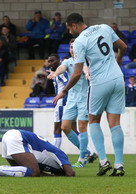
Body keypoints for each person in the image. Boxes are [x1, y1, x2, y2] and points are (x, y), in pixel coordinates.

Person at [54, 13, 127, 176]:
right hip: (118, 78)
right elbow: (123, 47)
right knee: (115, 123)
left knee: (93, 119)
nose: (69, 33)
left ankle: (103, 161)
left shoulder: (79, 41)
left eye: (68, 29)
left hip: (100, 82)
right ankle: (119, 165)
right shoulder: (105, 28)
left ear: (73, 25)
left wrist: (64, 90)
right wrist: (119, 60)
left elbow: (77, 73)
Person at [47, 40, 97, 166]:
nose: (72, 49)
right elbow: (62, 68)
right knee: (65, 127)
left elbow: (85, 68)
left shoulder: (85, 61)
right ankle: (86, 151)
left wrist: (86, 73)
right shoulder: (67, 62)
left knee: (81, 128)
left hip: (83, 98)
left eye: (75, 47)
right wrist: (55, 73)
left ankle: (82, 158)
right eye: (70, 47)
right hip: (71, 99)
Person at [0, 129, 75, 177]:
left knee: (22, 172)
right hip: (17, 137)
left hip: (12, 136)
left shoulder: (49, 165)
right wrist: (61, 175)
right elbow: (70, 173)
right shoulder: (61, 155)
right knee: (34, 173)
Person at [47, 54, 69, 148]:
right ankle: (89, 151)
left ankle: (54, 152)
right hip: (63, 102)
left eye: (52, 61)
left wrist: (62, 95)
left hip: (62, 102)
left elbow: (68, 84)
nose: (50, 63)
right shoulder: (56, 72)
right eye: (49, 61)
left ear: (58, 60)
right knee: (71, 128)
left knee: (57, 128)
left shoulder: (61, 72)